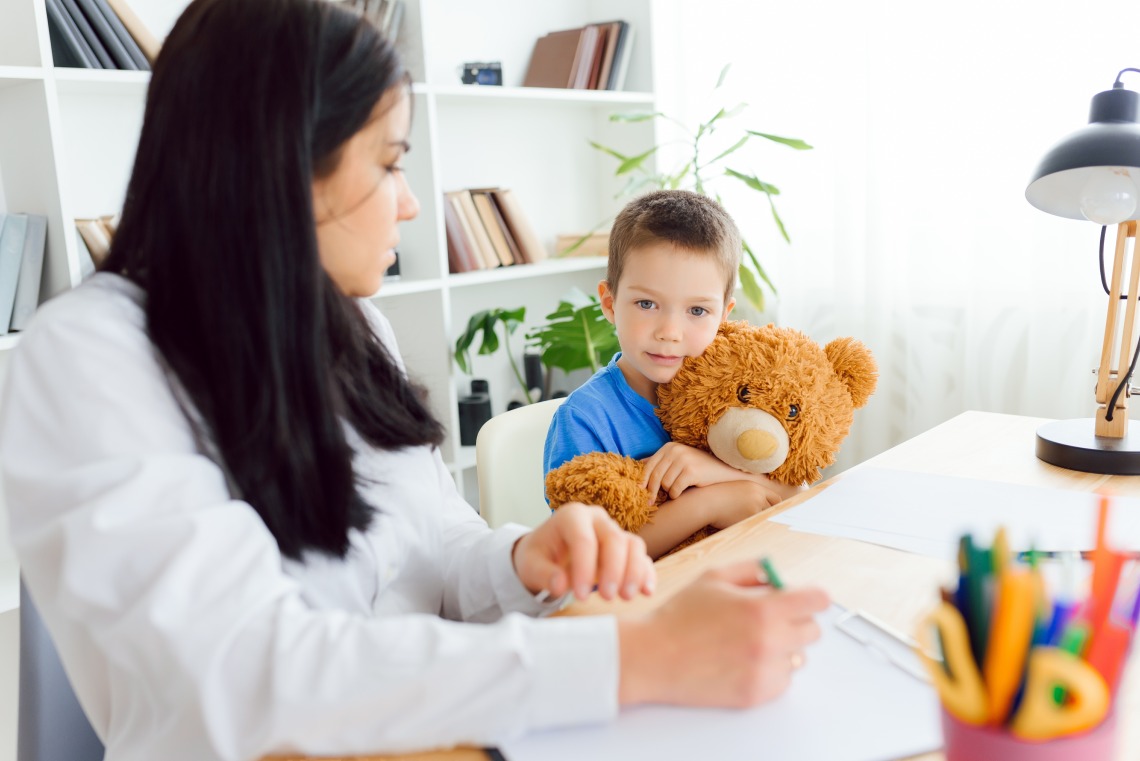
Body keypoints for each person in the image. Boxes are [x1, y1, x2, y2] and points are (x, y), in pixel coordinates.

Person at [0, 1, 829, 758]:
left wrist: (521, 560)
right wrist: (640, 653)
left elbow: (433, 545)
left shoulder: (355, 326)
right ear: (285, 164)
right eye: (390, 164)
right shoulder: (90, 355)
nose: (409, 204)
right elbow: (245, 679)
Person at [544, 190, 803, 558]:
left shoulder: (737, 389)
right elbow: (588, 554)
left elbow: (798, 490)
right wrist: (707, 504)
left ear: (723, 316)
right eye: (646, 304)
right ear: (610, 304)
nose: (670, 331)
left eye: (697, 311)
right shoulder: (585, 419)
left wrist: (713, 470)